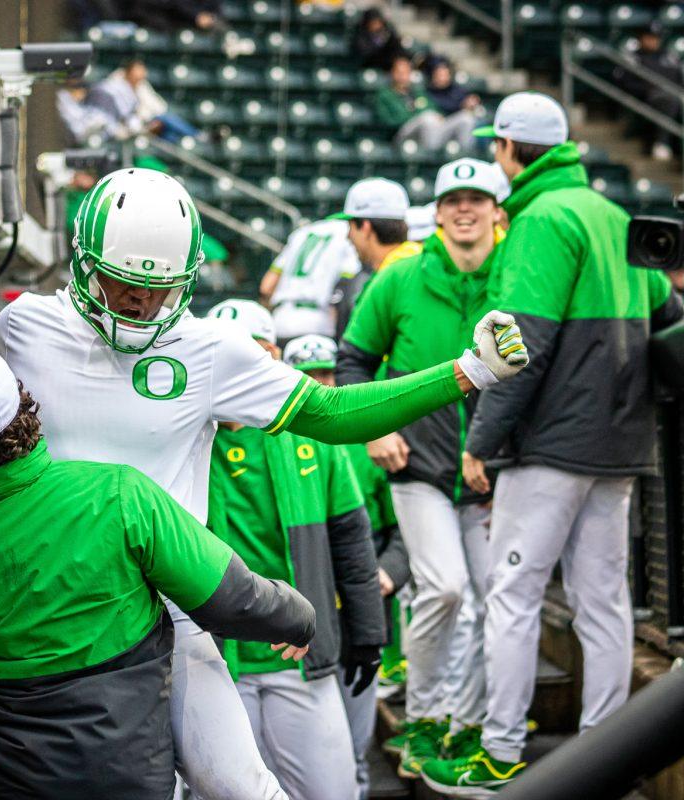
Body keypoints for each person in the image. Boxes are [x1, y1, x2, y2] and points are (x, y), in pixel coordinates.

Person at [0, 168, 530, 800]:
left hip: (165, 608)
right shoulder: (26, 331)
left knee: (239, 784)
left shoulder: (210, 348)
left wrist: (467, 373)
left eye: (159, 291)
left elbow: (332, 412)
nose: (141, 307)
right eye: (123, 286)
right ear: (85, 266)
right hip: (39, 604)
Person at [0, 338, 314, 799]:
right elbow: (233, 601)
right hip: (124, 778)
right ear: (24, 404)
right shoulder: (118, 493)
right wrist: (298, 617)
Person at [422, 92, 684, 795]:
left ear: (508, 151)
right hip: (621, 443)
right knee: (605, 604)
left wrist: (481, 440)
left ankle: (500, 751)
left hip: (553, 446)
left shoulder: (542, 218)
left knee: (513, 594)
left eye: (496, 147)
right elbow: (669, 314)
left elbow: (520, 346)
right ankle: (606, 755)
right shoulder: (611, 212)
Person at [337, 158, 508, 781]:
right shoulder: (401, 276)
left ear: (498, 211)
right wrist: (375, 429)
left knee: (497, 602)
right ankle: (426, 722)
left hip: (492, 471)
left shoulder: (516, 277)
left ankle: (466, 729)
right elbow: (353, 359)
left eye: (478, 198)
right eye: (452, 199)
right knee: (444, 588)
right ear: (436, 213)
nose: (465, 209)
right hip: (417, 464)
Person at [204, 302, 382, 800]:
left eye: (254, 356)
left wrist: (367, 633)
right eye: (227, 359)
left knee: (335, 790)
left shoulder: (310, 433)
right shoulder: (187, 434)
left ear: (275, 356)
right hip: (217, 665)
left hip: (301, 659)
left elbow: (351, 538)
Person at [282, 333, 411, 800]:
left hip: (360, 609)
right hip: (302, 619)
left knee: (353, 753)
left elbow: (406, 531)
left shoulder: (369, 439)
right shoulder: (274, 440)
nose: (321, 383)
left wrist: (389, 571)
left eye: (327, 373)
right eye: (309, 375)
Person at [329, 177, 423, 339]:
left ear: (365, 227)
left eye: (350, 227)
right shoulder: (417, 260)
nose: (348, 236)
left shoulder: (397, 274)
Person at [258, 217, 361, 343]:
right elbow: (346, 288)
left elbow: (266, 287)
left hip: (282, 321)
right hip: (319, 324)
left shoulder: (302, 233)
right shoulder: (348, 232)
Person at [376, 57, 476, 152]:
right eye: (400, 72)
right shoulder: (384, 95)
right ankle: (432, 160)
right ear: (392, 73)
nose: (403, 76)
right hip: (401, 135)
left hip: (430, 129)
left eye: (406, 72)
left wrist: (435, 115)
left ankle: (464, 159)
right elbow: (388, 122)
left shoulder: (417, 92)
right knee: (427, 118)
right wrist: (417, 115)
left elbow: (434, 109)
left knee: (466, 118)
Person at [613, 24, 682, 161]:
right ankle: (662, 143)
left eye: (655, 38)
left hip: (673, 95)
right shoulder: (634, 57)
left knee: (674, 99)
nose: (653, 41)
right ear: (641, 38)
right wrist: (649, 89)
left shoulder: (668, 56)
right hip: (647, 99)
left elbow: (680, 78)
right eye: (649, 37)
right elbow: (624, 82)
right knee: (668, 100)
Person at [88, 59, 199, 144]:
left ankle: (194, 141)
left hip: (146, 124)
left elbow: (159, 106)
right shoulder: (114, 87)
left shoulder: (141, 85)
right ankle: (197, 137)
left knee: (168, 128)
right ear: (129, 72)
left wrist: (152, 122)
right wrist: (146, 126)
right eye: (138, 71)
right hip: (127, 130)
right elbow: (124, 117)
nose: (142, 74)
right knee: (166, 122)